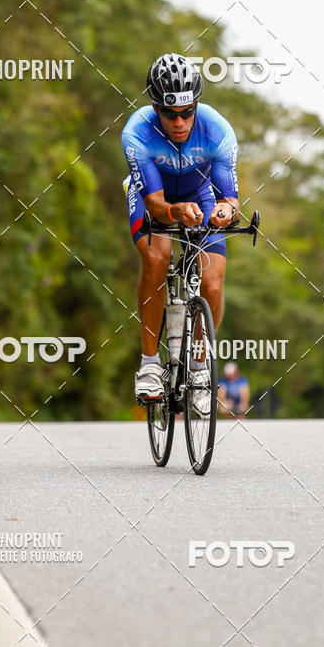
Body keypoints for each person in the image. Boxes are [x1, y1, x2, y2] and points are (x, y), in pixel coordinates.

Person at [121, 53, 240, 416]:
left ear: (197, 104)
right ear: (154, 106)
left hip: (199, 193)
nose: (179, 121)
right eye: (169, 113)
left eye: (187, 112)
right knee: (157, 258)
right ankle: (149, 365)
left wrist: (224, 212)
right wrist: (175, 212)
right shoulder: (136, 132)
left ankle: (201, 368)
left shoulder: (218, 131)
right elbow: (156, 204)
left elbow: (229, 198)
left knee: (213, 283)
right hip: (152, 196)